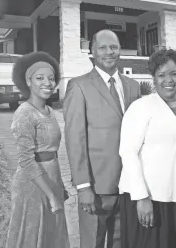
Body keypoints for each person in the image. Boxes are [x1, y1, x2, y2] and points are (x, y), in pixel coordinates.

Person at [63, 29, 141, 248]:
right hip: (96, 187)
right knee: (93, 242)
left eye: (114, 47)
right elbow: (75, 139)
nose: (109, 52)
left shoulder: (132, 87)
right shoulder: (79, 86)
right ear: (92, 53)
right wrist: (83, 186)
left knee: (122, 242)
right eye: (103, 48)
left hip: (128, 185)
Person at [118, 48, 176, 248]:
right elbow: (128, 152)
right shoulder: (140, 107)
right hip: (150, 199)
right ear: (153, 78)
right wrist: (141, 197)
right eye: (161, 75)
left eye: (174, 74)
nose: (168, 80)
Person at [6, 51, 69, 248]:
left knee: (53, 235)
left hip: (52, 179)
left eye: (51, 78)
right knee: (33, 237)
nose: (47, 83)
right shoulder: (24, 113)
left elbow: (52, 151)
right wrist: (50, 195)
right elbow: (26, 160)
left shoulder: (50, 111)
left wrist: (59, 187)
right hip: (32, 185)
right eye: (40, 78)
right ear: (28, 81)